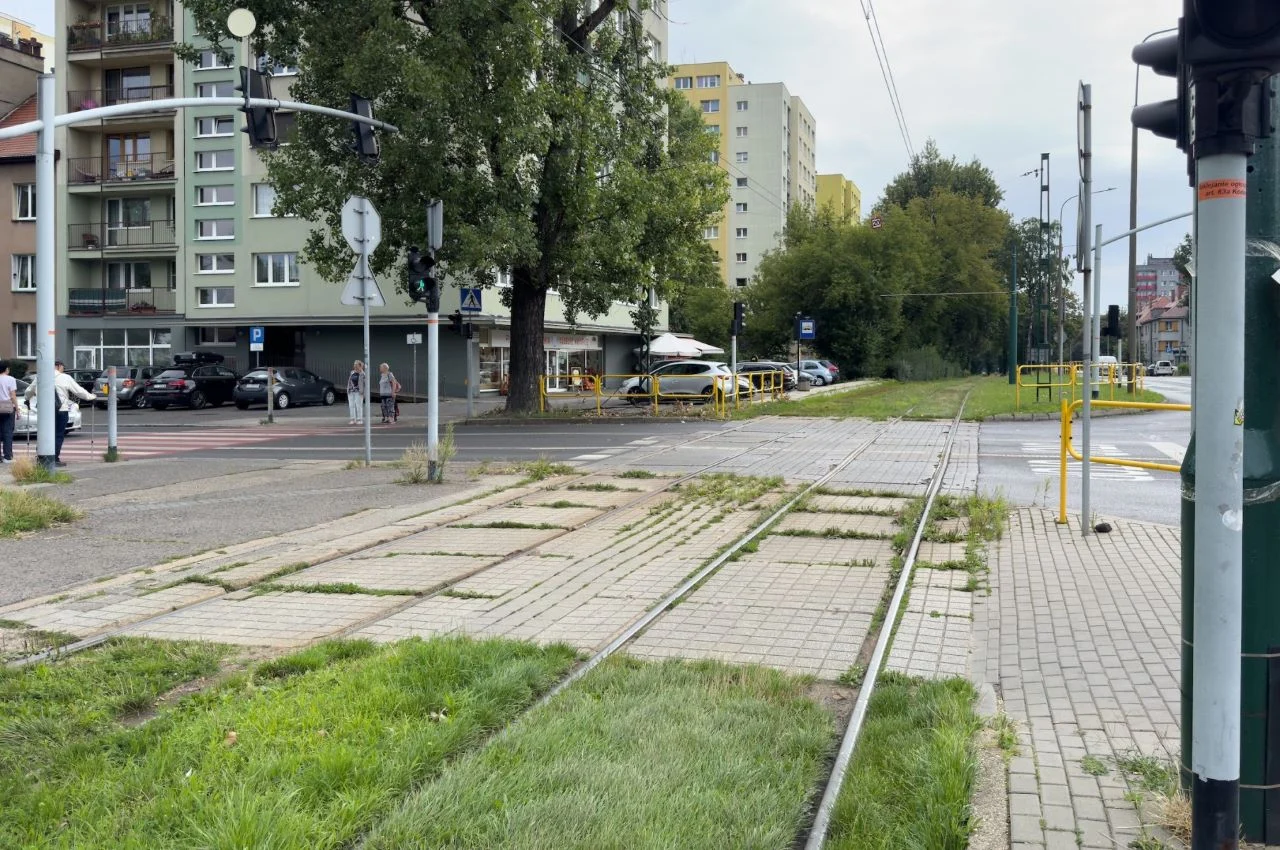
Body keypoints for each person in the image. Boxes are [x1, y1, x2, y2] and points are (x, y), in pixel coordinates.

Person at [24, 360, 94, 466]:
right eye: (63, 367)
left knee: (44, 434)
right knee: (58, 435)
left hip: (44, 412)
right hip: (61, 410)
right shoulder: (65, 377)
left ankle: (41, 459)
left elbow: (29, 391)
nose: (63, 369)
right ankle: (54, 459)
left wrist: (27, 399)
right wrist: (91, 397)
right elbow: (79, 391)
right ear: (58, 366)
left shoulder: (40, 377)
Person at [0, 360, 16, 465]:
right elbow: (13, 395)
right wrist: (18, 409)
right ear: (6, 369)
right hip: (7, 407)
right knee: (8, 433)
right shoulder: (10, 379)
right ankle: (7, 457)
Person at [347, 360, 365, 425]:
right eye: (354, 364)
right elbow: (349, 381)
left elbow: (365, 383)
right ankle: (352, 419)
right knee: (351, 405)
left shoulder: (362, 374)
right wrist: (348, 389)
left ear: (360, 366)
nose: (354, 366)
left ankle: (359, 419)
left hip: (358, 391)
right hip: (351, 391)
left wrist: (364, 392)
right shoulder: (352, 372)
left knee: (358, 405)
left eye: (356, 364)